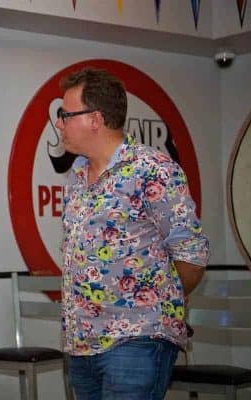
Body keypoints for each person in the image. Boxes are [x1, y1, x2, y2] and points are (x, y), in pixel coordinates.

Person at [55, 68, 209, 400]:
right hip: (82, 345)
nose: (59, 123)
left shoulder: (153, 170)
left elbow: (191, 256)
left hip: (137, 341)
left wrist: (156, 307)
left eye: (65, 114)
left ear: (95, 119)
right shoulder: (76, 178)